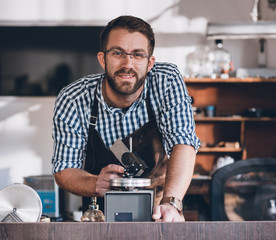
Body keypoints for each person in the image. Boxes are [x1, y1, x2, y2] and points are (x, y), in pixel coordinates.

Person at [51, 15, 200, 222]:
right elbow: (63, 169)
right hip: (99, 218)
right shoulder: (74, 98)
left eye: (138, 55)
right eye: (118, 53)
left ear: (150, 63)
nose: (127, 64)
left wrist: (172, 203)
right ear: (103, 58)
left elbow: (183, 142)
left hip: (159, 212)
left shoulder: (166, 81)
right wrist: (95, 183)